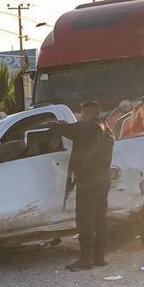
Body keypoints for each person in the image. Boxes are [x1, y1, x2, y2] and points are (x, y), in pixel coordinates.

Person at [47, 100, 115, 271]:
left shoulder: (90, 129)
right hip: (102, 179)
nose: (80, 116)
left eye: (82, 113)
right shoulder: (107, 130)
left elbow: (69, 130)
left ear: (89, 113)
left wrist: (55, 124)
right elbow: (76, 130)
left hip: (89, 181)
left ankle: (85, 258)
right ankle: (99, 256)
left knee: (85, 220)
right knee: (100, 219)